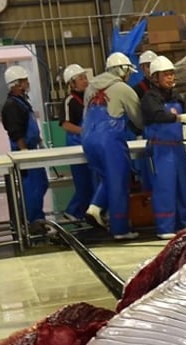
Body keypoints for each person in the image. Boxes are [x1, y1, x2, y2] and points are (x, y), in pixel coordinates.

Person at [83, 52, 144, 240]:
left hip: (87, 139)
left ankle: (95, 207)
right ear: (123, 69)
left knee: (107, 178)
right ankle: (120, 229)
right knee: (118, 181)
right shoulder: (123, 89)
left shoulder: (90, 88)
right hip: (109, 140)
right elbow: (139, 119)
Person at [141, 56, 186, 240]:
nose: (170, 78)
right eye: (165, 75)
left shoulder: (177, 96)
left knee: (183, 188)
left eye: (171, 74)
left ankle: (183, 226)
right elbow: (158, 115)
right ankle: (164, 226)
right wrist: (181, 118)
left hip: (178, 148)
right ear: (155, 78)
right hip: (161, 150)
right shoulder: (150, 98)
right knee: (165, 188)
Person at [1, 66, 48, 225]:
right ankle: (32, 223)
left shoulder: (22, 102)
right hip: (24, 152)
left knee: (41, 184)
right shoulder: (12, 106)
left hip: (32, 150)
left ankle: (36, 219)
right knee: (31, 189)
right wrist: (24, 152)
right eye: (24, 80)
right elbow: (15, 132)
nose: (28, 83)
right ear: (16, 84)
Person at [59, 64, 93, 222]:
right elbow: (65, 124)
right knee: (83, 183)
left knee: (92, 181)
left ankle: (83, 214)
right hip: (76, 145)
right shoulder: (70, 101)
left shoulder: (89, 98)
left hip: (89, 144)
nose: (85, 81)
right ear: (71, 83)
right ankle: (73, 212)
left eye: (85, 77)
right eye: (81, 78)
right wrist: (84, 132)